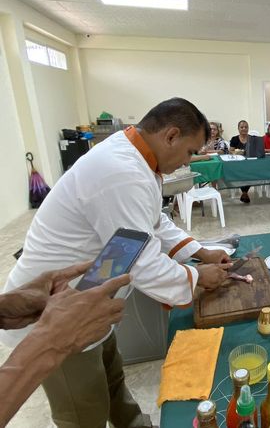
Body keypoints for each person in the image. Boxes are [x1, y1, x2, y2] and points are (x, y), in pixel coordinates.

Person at [0, 97, 232, 428]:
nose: (187, 161)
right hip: (52, 313)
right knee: (84, 412)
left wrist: (200, 250)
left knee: (112, 382)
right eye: (190, 152)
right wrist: (198, 277)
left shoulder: (136, 158)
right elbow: (143, 263)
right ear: (170, 135)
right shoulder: (121, 171)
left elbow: (151, 224)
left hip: (86, 300)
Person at [0, 264, 130, 426]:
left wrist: (3, 306)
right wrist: (51, 342)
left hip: (57, 315)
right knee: (83, 413)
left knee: (112, 385)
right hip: (48, 330)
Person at [230, 120, 252, 203]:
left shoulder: (252, 138)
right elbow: (230, 151)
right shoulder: (234, 139)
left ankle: (244, 193)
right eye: (242, 127)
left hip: (250, 162)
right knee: (240, 172)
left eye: (246, 127)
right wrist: (236, 152)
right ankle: (245, 193)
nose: (244, 129)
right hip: (238, 163)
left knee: (251, 171)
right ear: (238, 129)